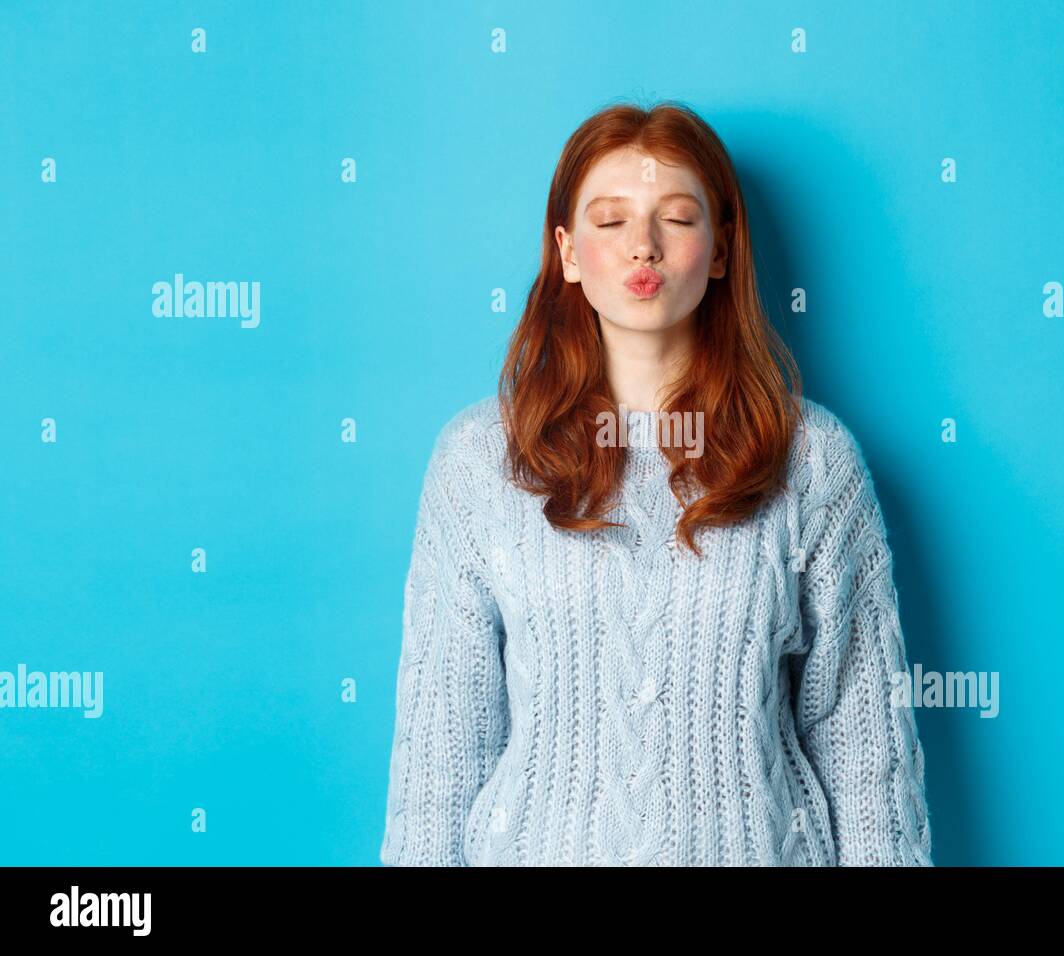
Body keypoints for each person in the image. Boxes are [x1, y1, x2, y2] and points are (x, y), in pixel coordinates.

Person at [379, 100, 933, 866]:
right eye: (610, 222)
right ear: (567, 252)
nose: (642, 246)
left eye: (676, 218)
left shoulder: (810, 460)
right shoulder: (479, 461)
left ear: (719, 250)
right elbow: (440, 755)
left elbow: (863, 744)